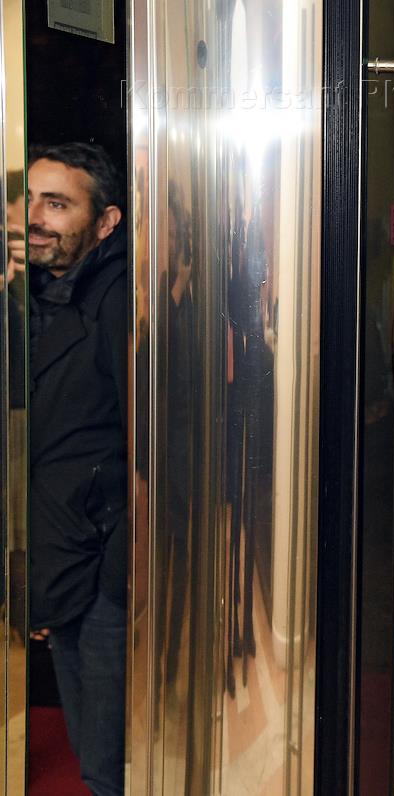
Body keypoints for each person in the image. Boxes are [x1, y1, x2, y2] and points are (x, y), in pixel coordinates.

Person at [25, 142, 128, 796]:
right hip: (62, 558)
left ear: (105, 222)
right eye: (30, 200)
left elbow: (161, 445)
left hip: (106, 571)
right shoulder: (38, 295)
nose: (36, 218)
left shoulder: (121, 301)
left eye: (58, 204)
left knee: (106, 764)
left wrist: (118, 579)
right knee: (91, 753)